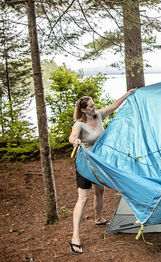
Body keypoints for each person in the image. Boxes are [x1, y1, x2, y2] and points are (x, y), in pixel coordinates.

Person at [68, 88, 135, 254]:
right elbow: (72, 135)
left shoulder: (98, 116)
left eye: (93, 104)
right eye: (90, 106)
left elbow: (114, 106)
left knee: (100, 190)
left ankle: (98, 218)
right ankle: (75, 236)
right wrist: (74, 141)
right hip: (84, 163)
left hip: (99, 162)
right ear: (83, 109)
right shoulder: (79, 124)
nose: (94, 107)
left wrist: (128, 93)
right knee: (83, 198)